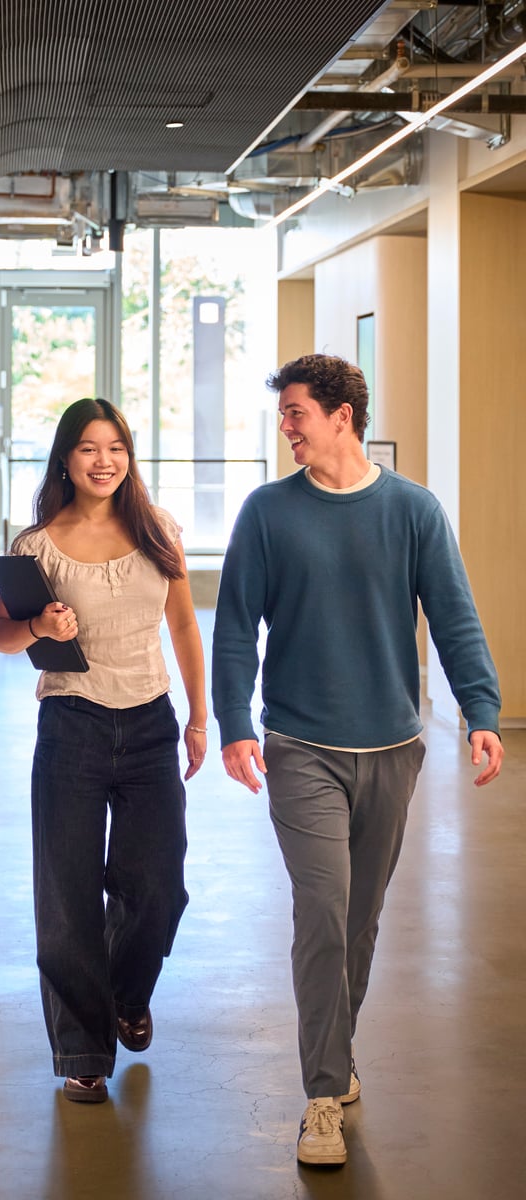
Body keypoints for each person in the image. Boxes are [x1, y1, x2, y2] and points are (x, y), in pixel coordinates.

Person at [211, 354, 504, 1166]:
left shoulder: (413, 510)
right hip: (301, 745)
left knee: (359, 922)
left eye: (297, 412)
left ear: (342, 415)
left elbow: (454, 615)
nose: (287, 427)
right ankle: (320, 1097)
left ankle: (335, 1053)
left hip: (392, 749)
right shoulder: (268, 513)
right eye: (284, 414)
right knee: (323, 910)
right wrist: (234, 721)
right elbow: (236, 626)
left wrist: (480, 709)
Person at [0, 397, 207, 1104]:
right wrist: (41, 625)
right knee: (67, 894)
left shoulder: (156, 531)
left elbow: (183, 625)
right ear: (65, 458)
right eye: (88, 447)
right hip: (71, 723)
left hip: (149, 724)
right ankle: (83, 1049)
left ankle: (123, 991)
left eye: (116, 447)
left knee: (156, 887)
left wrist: (200, 718)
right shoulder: (37, 545)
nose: (104, 460)